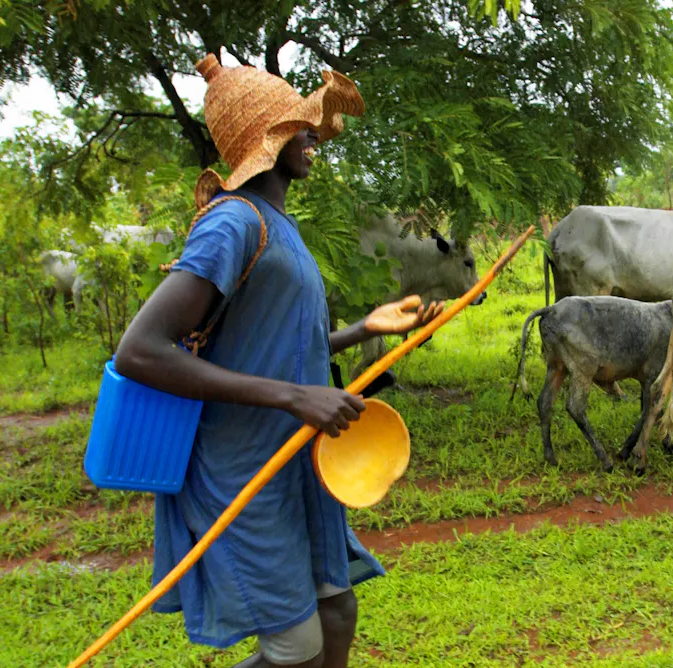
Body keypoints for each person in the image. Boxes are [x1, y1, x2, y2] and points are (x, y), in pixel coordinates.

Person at [113, 54, 445, 668]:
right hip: (245, 468)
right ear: (265, 141)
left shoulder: (278, 224)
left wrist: (363, 329)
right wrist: (295, 398)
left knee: (337, 611)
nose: (314, 135)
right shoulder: (231, 224)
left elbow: (284, 346)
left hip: (300, 459)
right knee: (295, 649)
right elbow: (141, 351)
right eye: (298, 126)